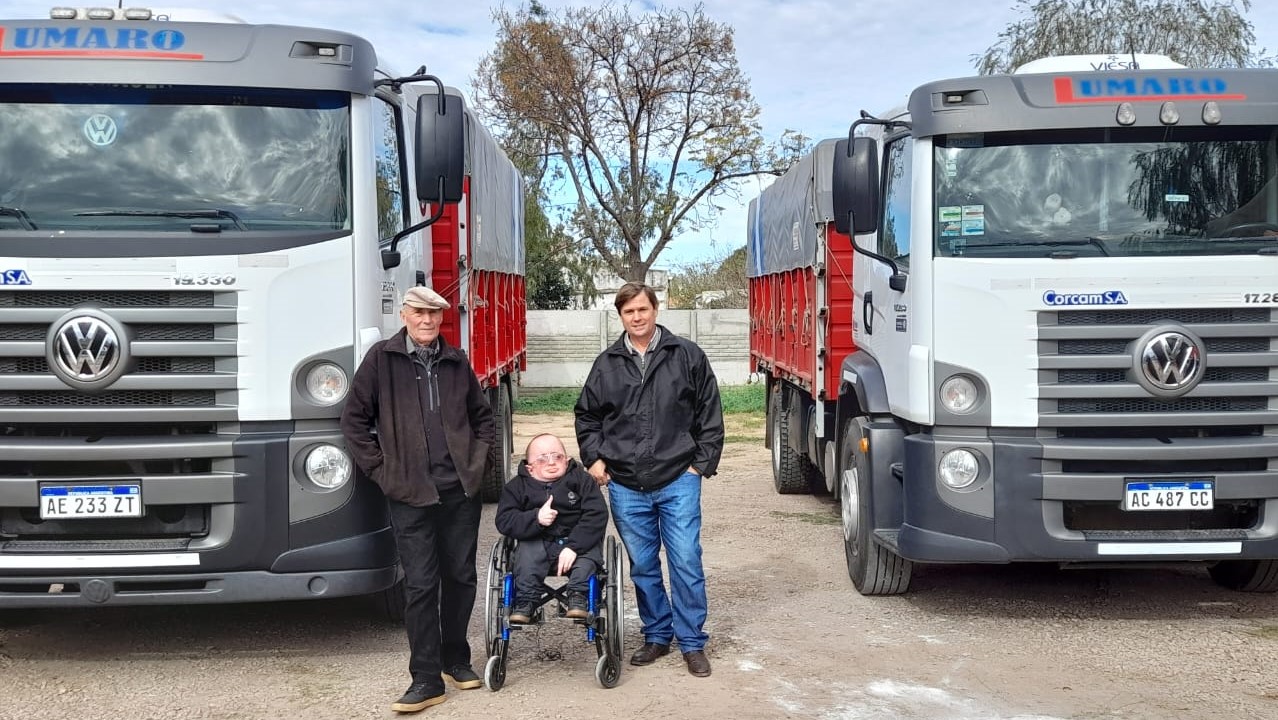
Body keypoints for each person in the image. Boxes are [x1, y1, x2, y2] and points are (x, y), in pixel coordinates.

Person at [340, 286, 494, 714]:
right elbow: (353, 420)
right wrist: (380, 470)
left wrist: (476, 464)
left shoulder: (455, 360)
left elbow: (483, 419)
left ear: (442, 319)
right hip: (409, 493)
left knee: (460, 577)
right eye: (419, 314)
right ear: (404, 315)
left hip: (459, 490)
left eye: (434, 315)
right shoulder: (381, 360)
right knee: (422, 584)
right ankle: (425, 678)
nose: (426, 321)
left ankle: (456, 660)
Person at [574, 281, 724, 678]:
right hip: (625, 485)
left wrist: (700, 465)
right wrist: (595, 458)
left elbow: (710, 413)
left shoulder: (686, 355)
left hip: (678, 478)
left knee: (686, 561)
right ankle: (657, 635)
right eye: (628, 312)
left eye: (643, 309)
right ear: (620, 316)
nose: (637, 317)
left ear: (656, 309)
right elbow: (587, 416)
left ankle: (692, 642)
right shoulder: (606, 364)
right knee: (642, 566)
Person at [494, 433, 607, 624]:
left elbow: (597, 514)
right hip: (538, 542)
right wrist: (535, 518)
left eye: (558, 457)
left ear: (568, 460)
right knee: (526, 554)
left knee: (587, 559)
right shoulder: (517, 487)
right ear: (529, 468)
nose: (551, 463)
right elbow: (504, 520)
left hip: (576, 543)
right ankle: (526, 601)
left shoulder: (582, 481)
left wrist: (573, 546)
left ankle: (578, 597)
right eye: (542, 459)